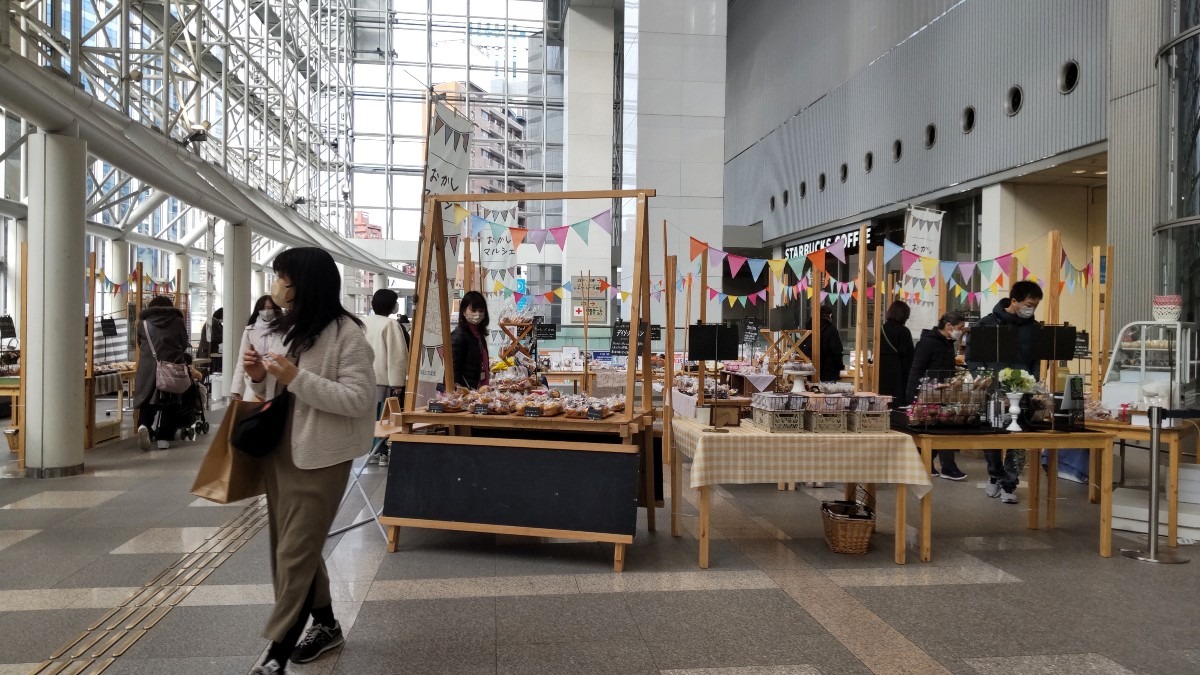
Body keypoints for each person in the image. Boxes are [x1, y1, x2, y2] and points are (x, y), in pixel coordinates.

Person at [241, 248, 375, 674]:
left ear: (305, 282)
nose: (277, 284)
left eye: (283, 276)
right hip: (283, 451)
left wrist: (294, 377)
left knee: (296, 550)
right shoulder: (290, 328)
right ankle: (327, 623)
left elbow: (359, 400)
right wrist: (261, 377)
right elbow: (281, 397)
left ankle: (276, 654)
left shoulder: (346, 334)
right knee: (292, 543)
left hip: (321, 457)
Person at [968, 280, 1044, 504]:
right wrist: (983, 379)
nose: (1031, 309)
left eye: (1035, 306)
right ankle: (995, 474)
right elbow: (973, 358)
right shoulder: (987, 325)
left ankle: (1010, 483)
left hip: (1023, 390)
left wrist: (1033, 383)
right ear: (1014, 301)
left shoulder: (1034, 328)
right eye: (1028, 304)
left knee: (1019, 438)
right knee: (993, 435)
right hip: (993, 390)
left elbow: (1035, 360)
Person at [907, 312, 968, 480]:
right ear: (948, 326)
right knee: (932, 428)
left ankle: (939, 464)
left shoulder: (949, 343)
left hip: (946, 392)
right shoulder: (927, 343)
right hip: (928, 393)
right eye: (959, 328)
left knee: (944, 427)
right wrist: (913, 395)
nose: (961, 331)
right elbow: (916, 369)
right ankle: (933, 464)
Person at [134, 296, 191, 451]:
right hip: (172, 366)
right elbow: (184, 343)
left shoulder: (143, 323)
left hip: (149, 368)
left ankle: (144, 426)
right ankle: (164, 438)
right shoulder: (178, 322)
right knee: (170, 401)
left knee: (149, 399)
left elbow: (139, 343)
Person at [364, 289, 409, 466]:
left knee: (371, 417)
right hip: (385, 379)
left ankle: (372, 450)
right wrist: (398, 382)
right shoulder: (390, 325)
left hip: (367, 378)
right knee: (385, 417)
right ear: (391, 305)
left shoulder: (364, 322)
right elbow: (397, 355)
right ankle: (382, 452)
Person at [229, 295, 279, 402]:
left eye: (269, 308)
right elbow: (242, 361)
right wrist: (237, 389)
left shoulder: (283, 330)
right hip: (253, 383)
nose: (266, 311)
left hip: (275, 381)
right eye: (263, 308)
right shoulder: (250, 330)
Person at [450, 291, 491, 389]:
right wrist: (460, 391)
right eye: (473, 310)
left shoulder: (479, 335)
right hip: (466, 393)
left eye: (481, 310)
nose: (477, 314)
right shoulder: (459, 335)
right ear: (464, 311)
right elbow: (453, 369)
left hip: (478, 391)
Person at [877, 301, 914, 406]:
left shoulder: (882, 328)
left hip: (882, 369)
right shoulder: (904, 331)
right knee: (897, 401)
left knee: (884, 399)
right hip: (898, 370)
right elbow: (909, 355)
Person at [800, 306, 844, 382]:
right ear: (830, 315)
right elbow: (836, 350)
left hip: (810, 370)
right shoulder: (831, 329)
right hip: (828, 371)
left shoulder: (809, 328)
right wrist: (840, 367)